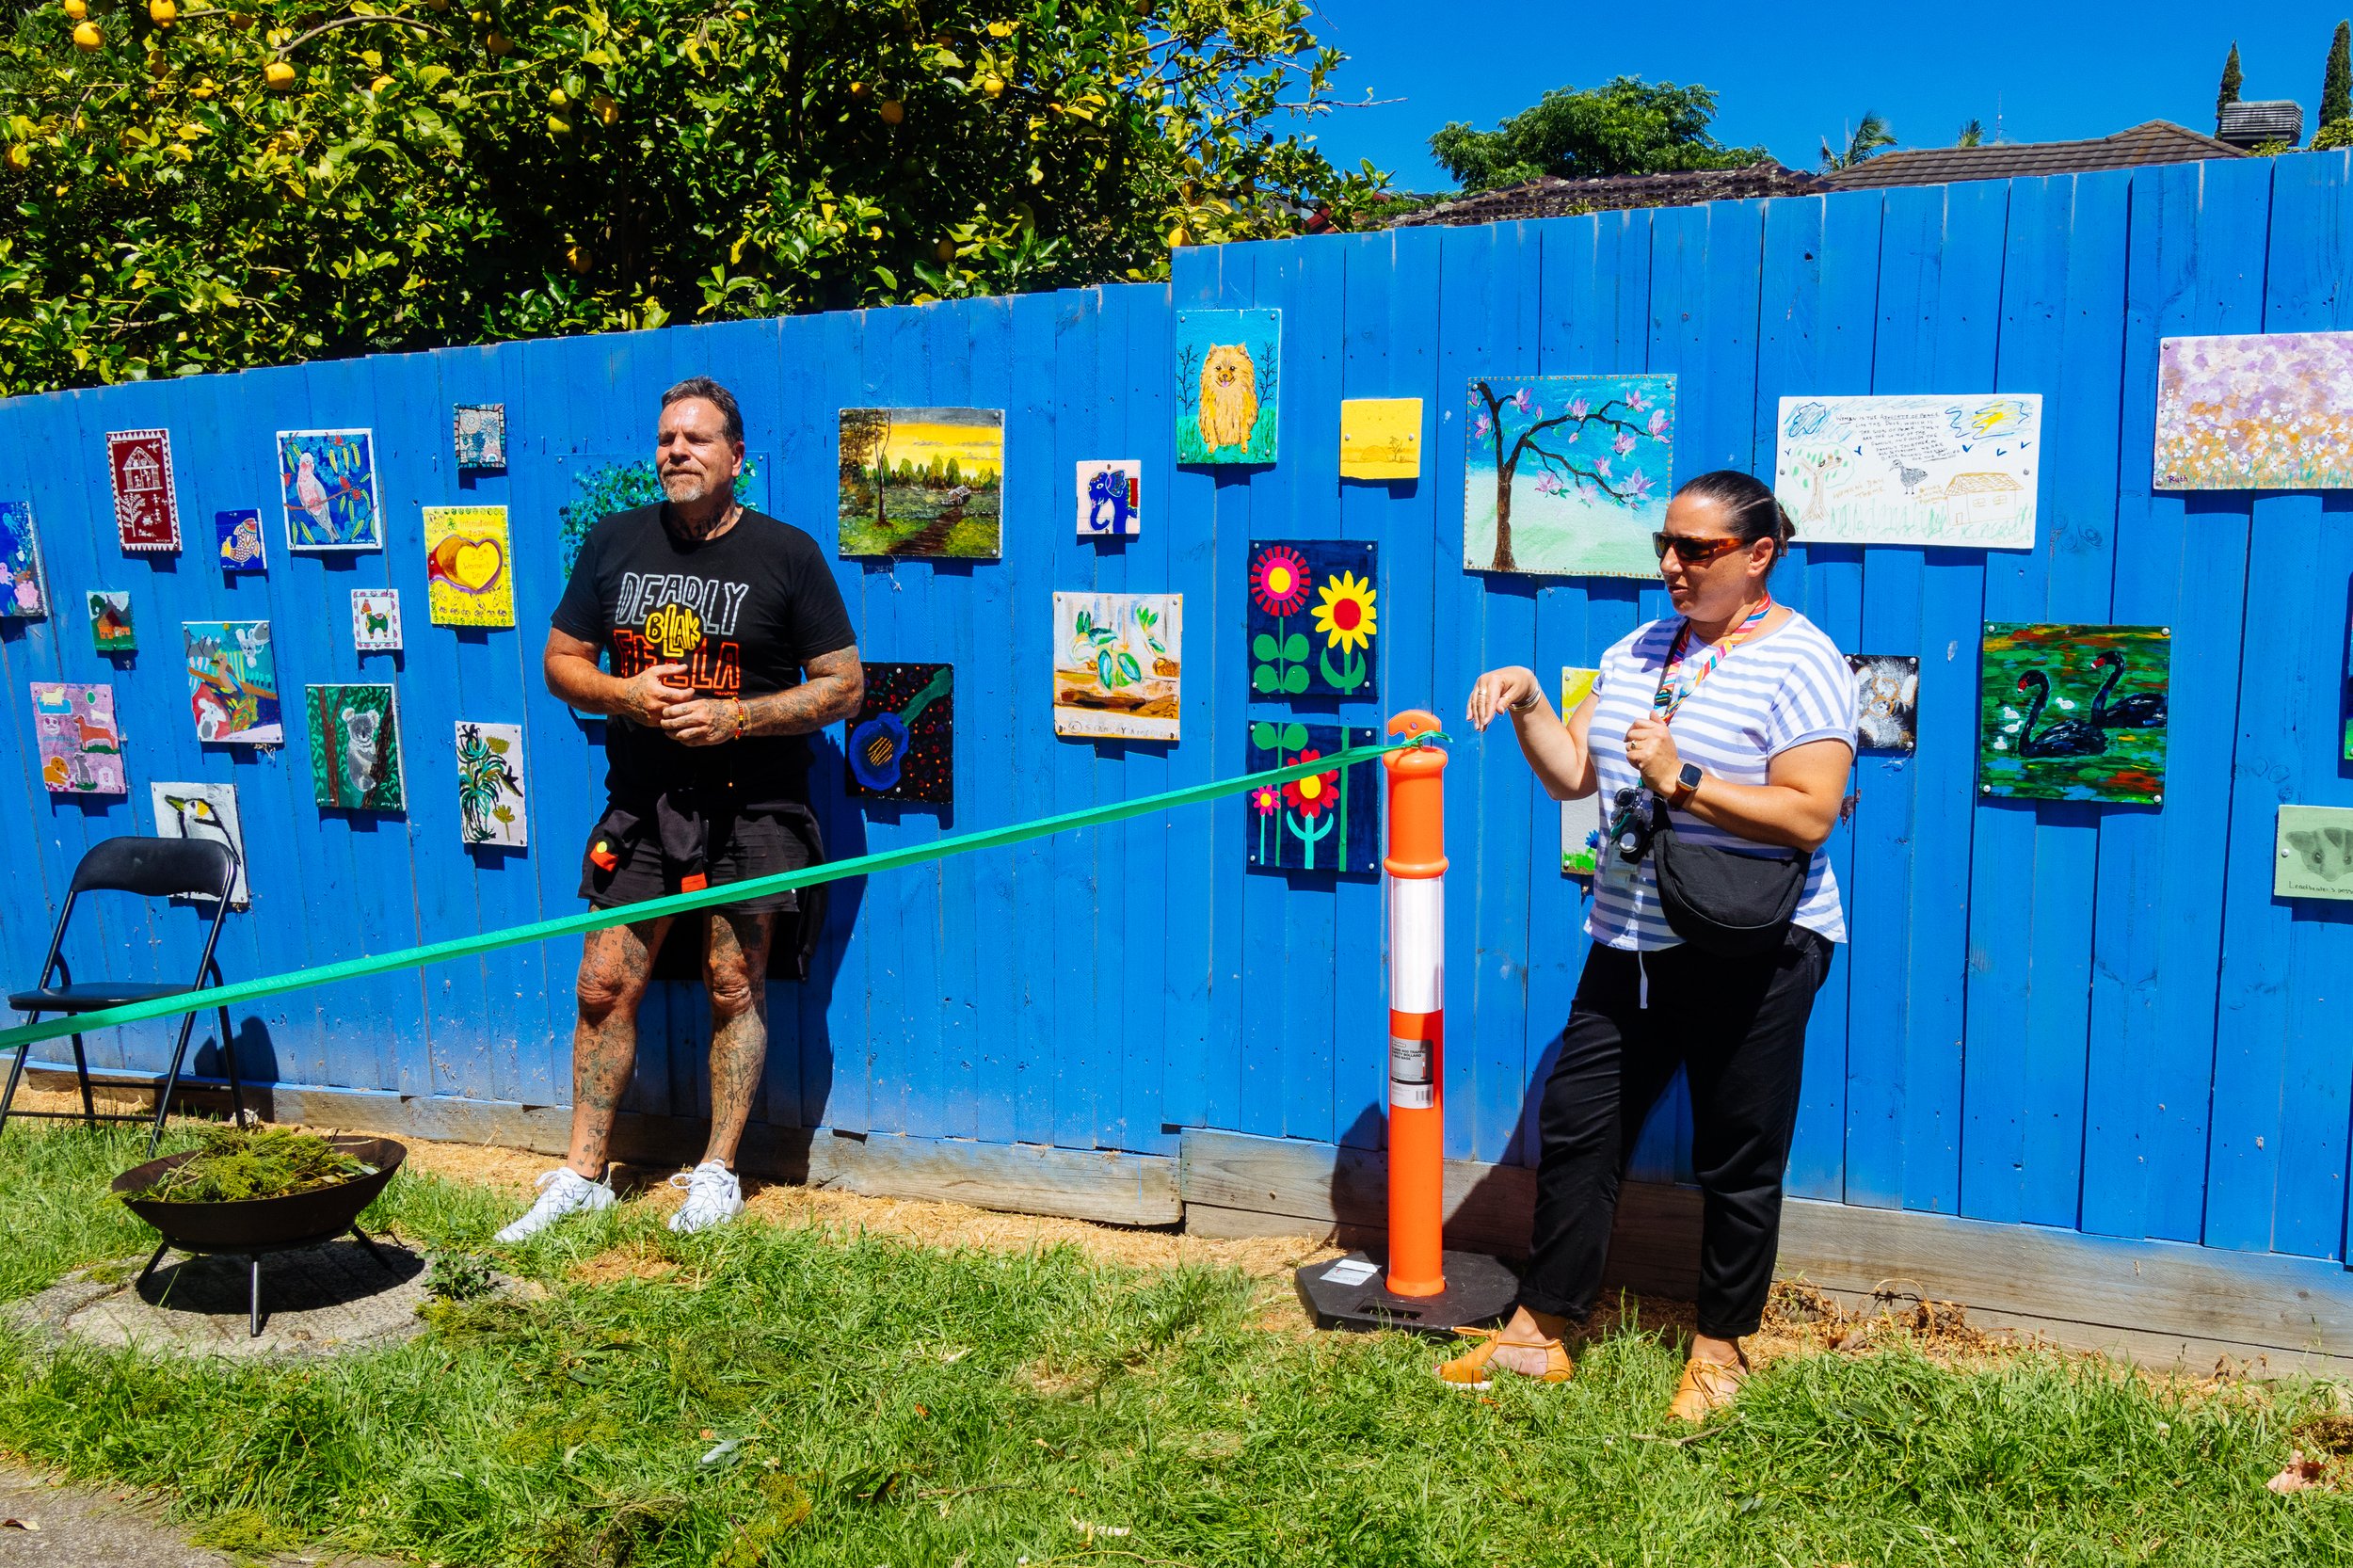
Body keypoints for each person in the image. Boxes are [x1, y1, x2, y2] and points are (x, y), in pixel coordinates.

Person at [1446, 470, 1855, 1419]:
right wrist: (1528, 702)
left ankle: (1720, 1349)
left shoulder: (1803, 660)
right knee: (1580, 1130)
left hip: (1752, 941)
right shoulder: (1637, 648)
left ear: (1757, 557)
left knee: (1737, 1153)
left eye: (1697, 550)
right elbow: (1575, 773)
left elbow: (1809, 812)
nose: (1672, 565)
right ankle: (1542, 1328)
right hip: (1628, 935)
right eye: (1664, 546)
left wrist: (1684, 779)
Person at [497, 377, 864, 1241]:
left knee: (734, 986)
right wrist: (624, 693)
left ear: (738, 457)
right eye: (667, 439)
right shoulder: (614, 542)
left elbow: (845, 687)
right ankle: (583, 1175)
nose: (677, 452)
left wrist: (738, 716)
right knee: (601, 985)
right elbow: (559, 663)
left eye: (698, 440)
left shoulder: (788, 555)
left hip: (755, 807)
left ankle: (717, 1171)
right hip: (642, 806)